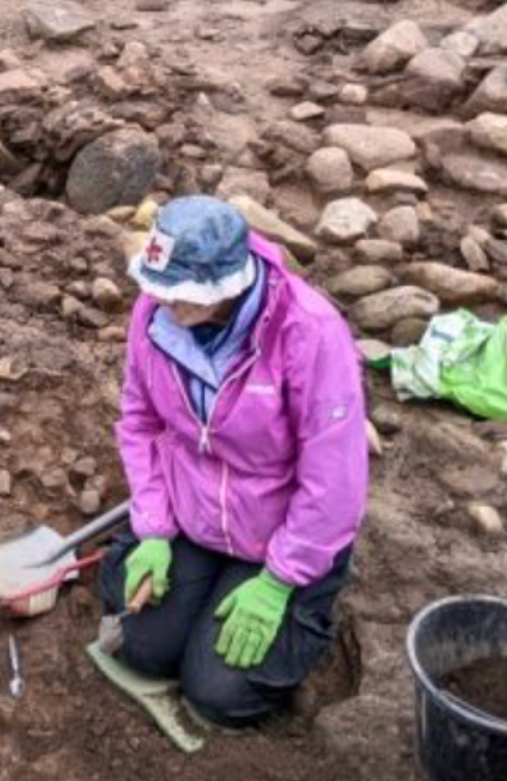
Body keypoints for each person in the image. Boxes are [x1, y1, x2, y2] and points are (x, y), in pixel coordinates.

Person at [98, 195, 368, 728]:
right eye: (157, 289)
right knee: (141, 648)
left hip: (279, 534)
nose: (163, 305)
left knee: (218, 695)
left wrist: (280, 579)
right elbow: (141, 423)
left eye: (180, 295)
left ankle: (305, 599)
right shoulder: (154, 312)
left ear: (227, 285)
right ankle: (196, 589)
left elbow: (334, 477)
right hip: (194, 518)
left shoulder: (308, 332)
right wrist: (153, 529)